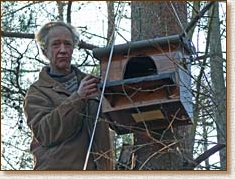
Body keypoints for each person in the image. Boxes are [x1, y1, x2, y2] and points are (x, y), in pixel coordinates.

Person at [23, 21, 113, 170]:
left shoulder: (93, 84)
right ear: (45, 51)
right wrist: (78, 98)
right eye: (56, 44)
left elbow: (118, 121)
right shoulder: (37, 92)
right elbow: (45, 133)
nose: (63, 50)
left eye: (68, 44)